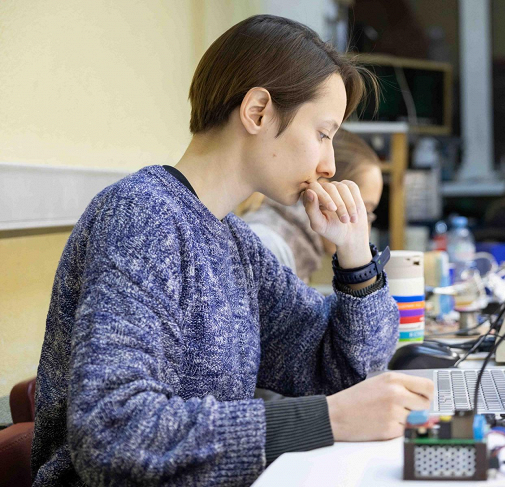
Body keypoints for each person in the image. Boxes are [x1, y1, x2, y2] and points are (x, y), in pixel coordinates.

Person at [31, 15, 433, 486]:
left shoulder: (234, 240)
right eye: (323, 134)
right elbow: (113, 434)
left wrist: (355, 258)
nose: (328, 164)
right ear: (258, 111)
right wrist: (327, 420)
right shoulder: (143, 217)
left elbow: (346, 370)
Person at [238, 129, 383, 282]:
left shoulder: (298, 251)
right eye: (364, 212)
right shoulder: (268, 248)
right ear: (326, 196)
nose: (366, 230)